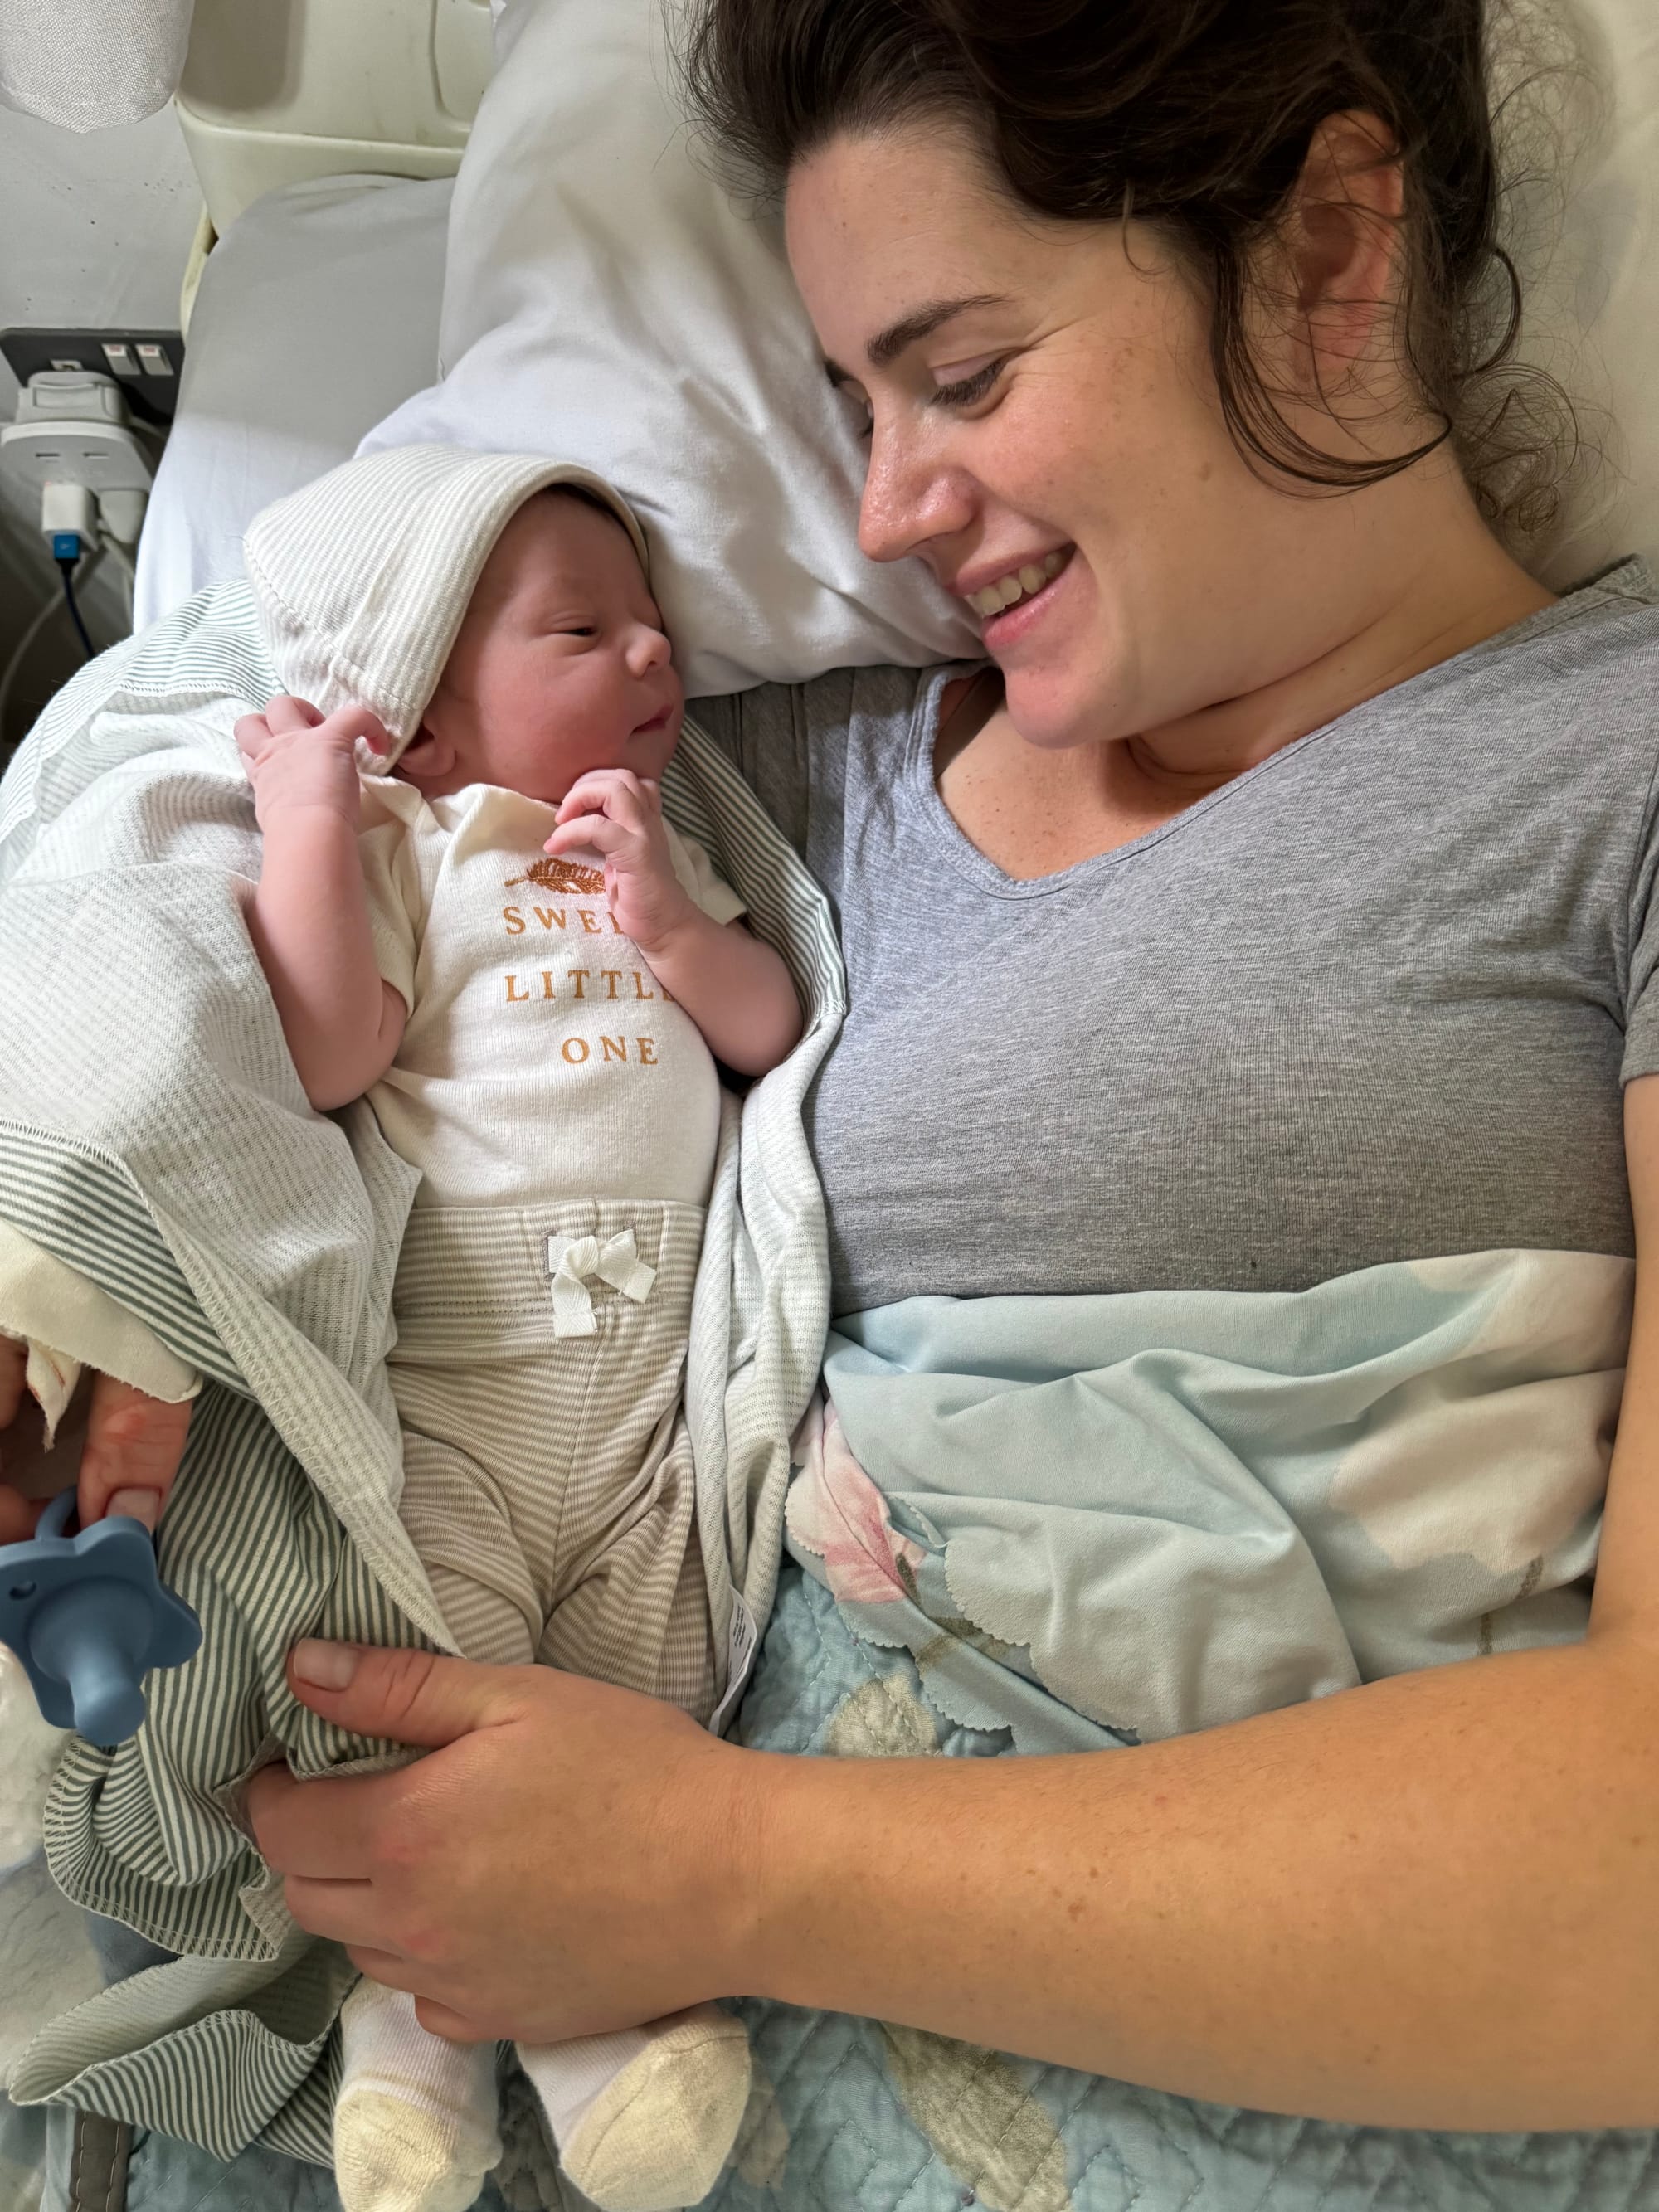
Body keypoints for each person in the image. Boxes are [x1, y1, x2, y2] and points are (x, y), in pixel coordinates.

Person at [8, 0, 1659, 2205]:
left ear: (1337, 249)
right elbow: (234, 739)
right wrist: (99, 1225)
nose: (886, 506)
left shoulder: (1620, 765)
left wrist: (726, 1868)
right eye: (851, 408)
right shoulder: (771, 787)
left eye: (960, 375)